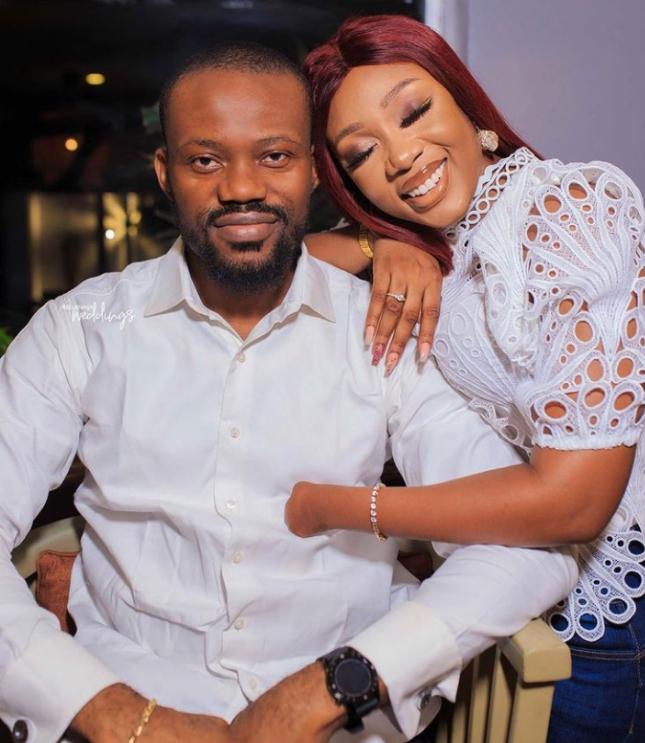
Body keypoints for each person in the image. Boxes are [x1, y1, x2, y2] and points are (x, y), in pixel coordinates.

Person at [0, 42, 578, 743]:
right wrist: (116, 712)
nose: (241, 186)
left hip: (346, 722)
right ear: (164, 174)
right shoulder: (81, 329)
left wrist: (334, 685)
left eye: (273, 156)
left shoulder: (388, 329)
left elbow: (522, 545)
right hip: (124, 713)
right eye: (205, 160)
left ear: (311, 169)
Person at [292, 14, 645, 743]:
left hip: (603, 621)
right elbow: (269, 264)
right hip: (507, 593)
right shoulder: (445, 246)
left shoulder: (565, 208)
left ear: (465, 102)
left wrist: (340, 507)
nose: (401, 157)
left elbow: (576, 504)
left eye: (412, 112)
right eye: (363, 151)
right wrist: (377, 244)